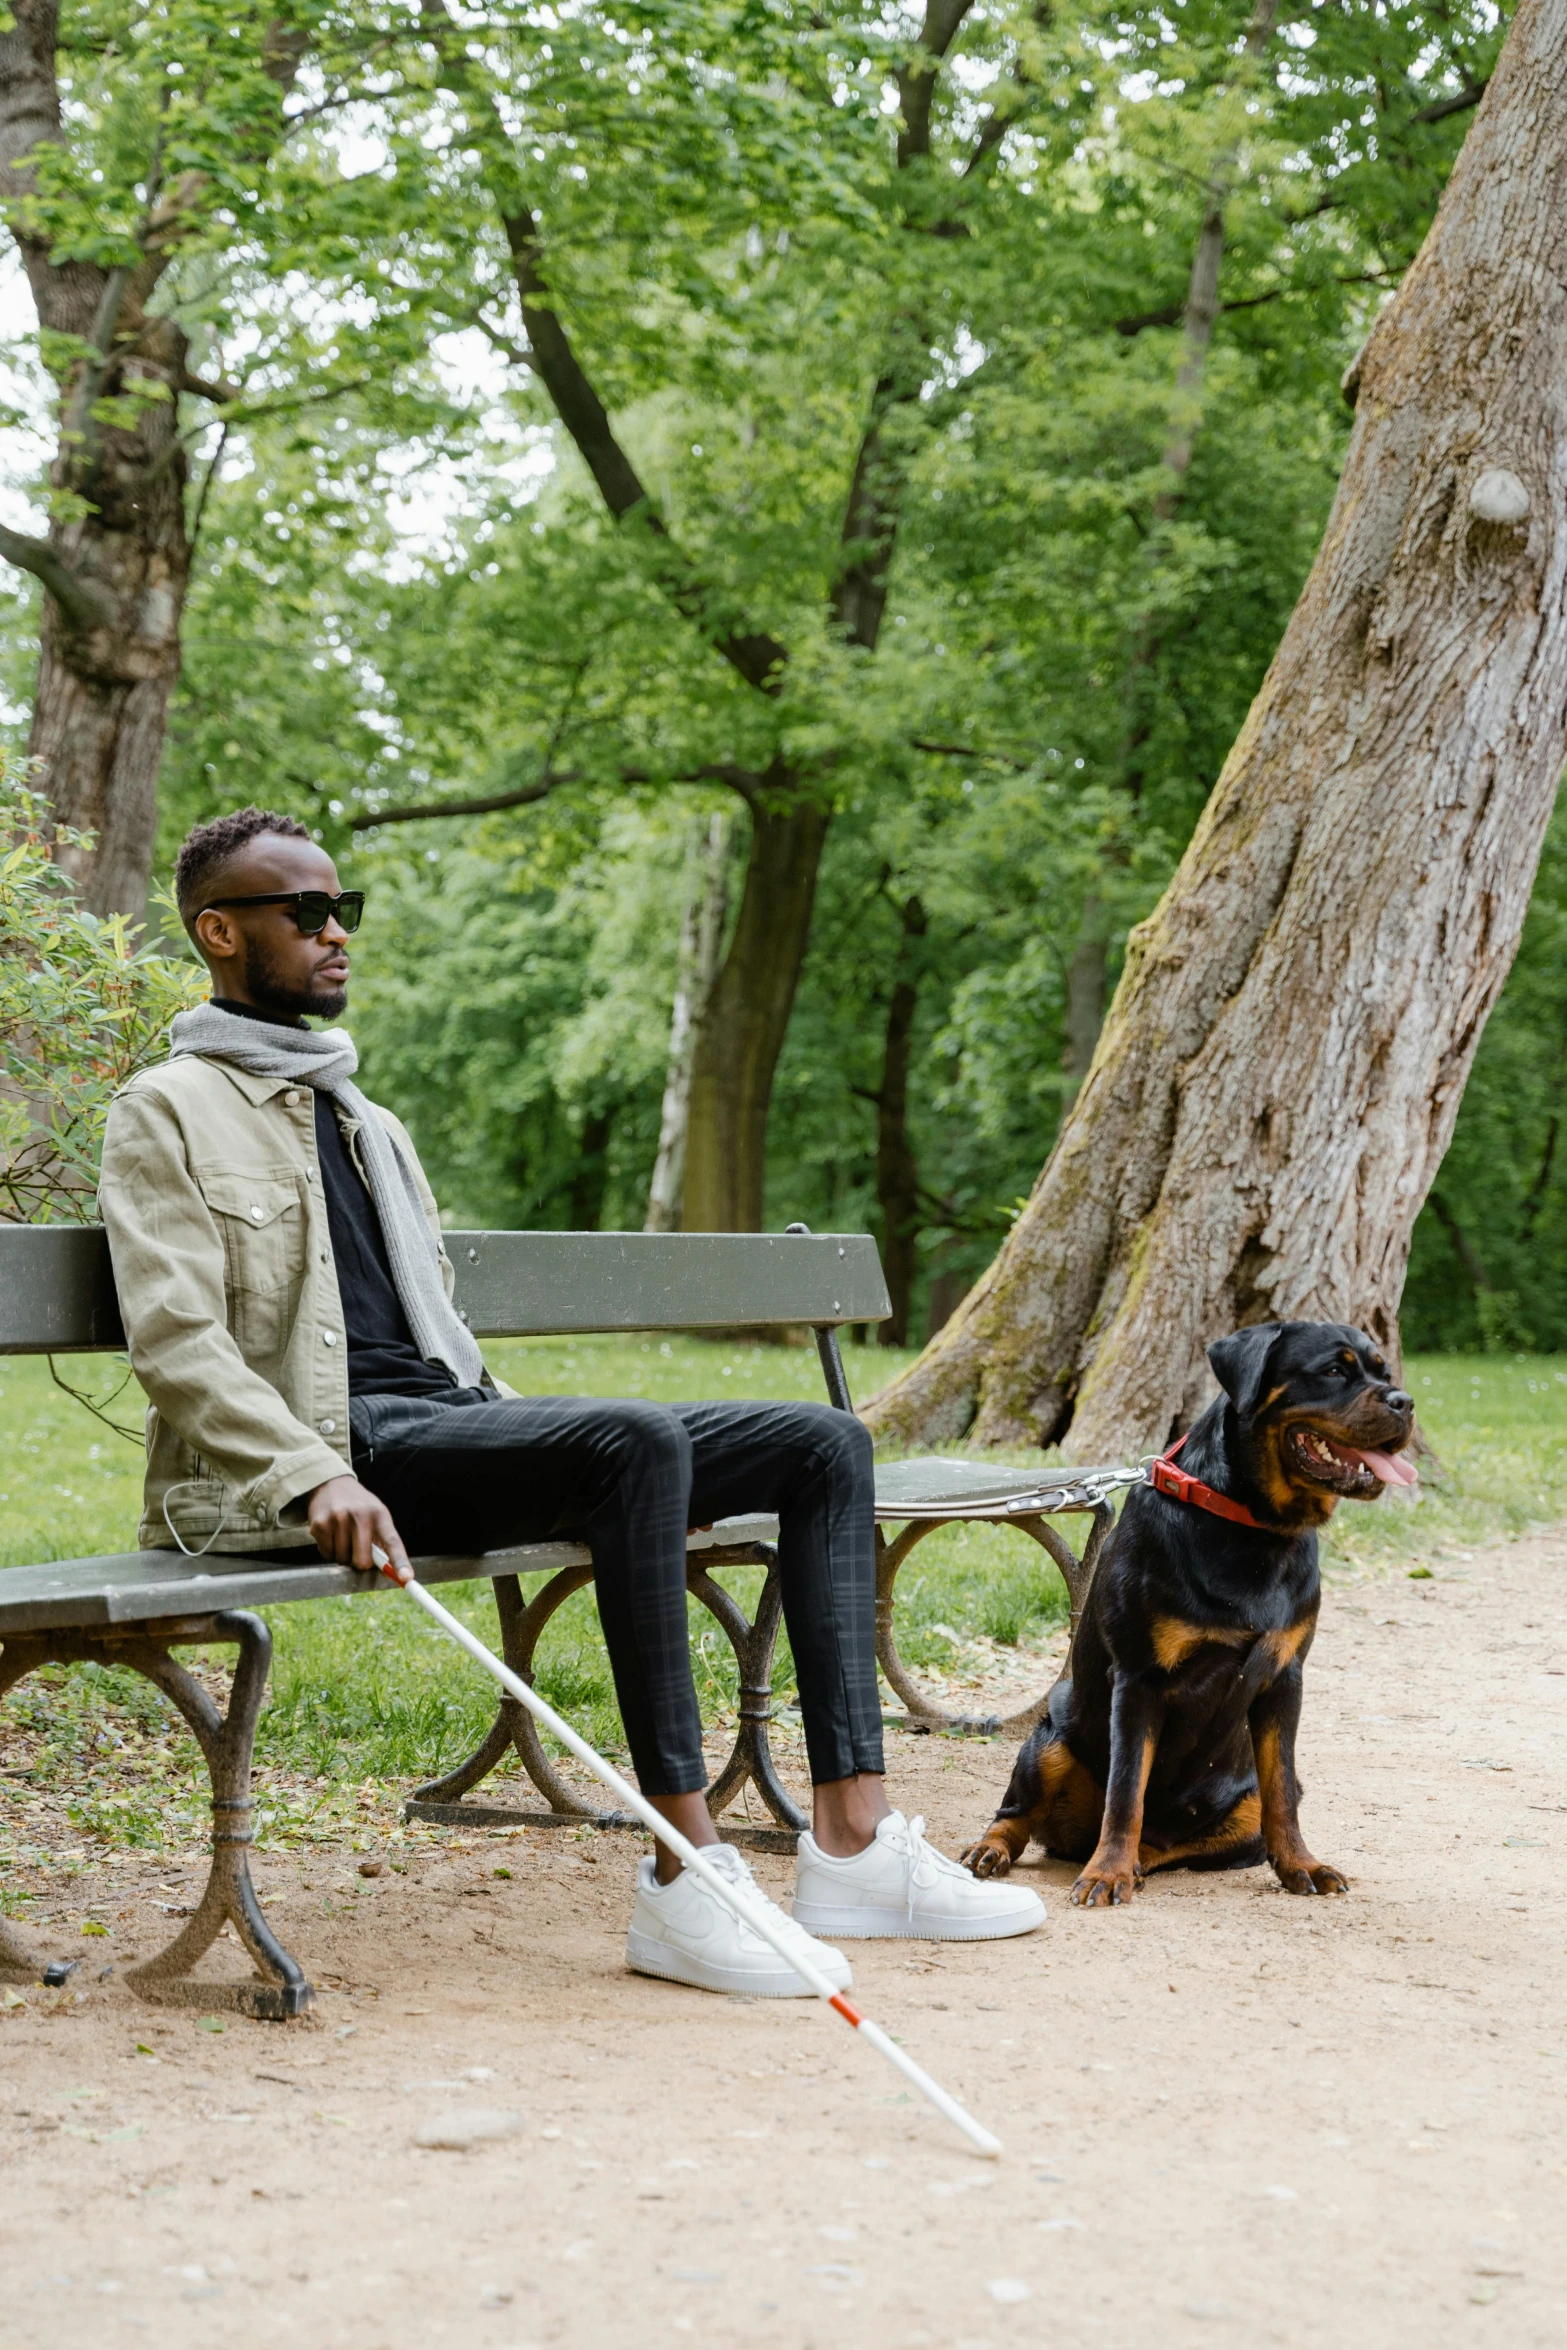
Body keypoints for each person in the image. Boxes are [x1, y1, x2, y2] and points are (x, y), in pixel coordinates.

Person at [98, 808, 1044, 1996]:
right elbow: (177, 1341)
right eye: (307, 913)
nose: (338, 933)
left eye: (347, 909)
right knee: (630, 1440)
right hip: (332, 1454)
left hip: (437, 1422)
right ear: (220, 931)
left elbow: (428, 1334)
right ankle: (682, 1878)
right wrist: (309, 1474)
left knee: (820, 1441)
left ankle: (853, 1841)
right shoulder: (167, 1108)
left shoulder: (364, 1119)